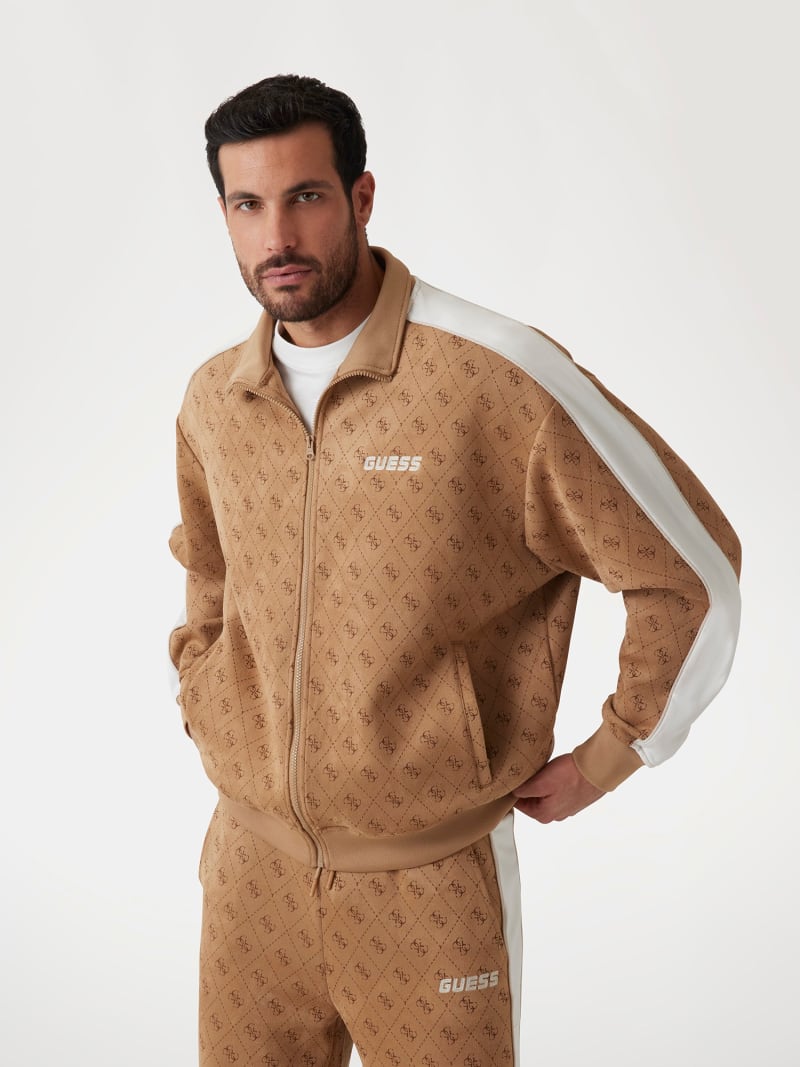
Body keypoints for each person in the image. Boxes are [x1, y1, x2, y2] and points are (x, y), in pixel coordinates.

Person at [169, 74, 741, 1067]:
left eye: (305, 196)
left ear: (360, 196)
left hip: (428, 887)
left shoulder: (497, 375)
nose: (277, 237)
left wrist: (616, 752)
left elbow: (689, 568)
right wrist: (204, 689)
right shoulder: (217, 398)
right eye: (247, 205)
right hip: (248, 873)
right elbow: (208, 573)